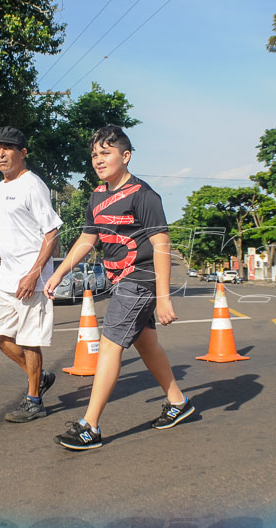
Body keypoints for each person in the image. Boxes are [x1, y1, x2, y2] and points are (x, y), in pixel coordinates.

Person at [45, 125, 194, 450]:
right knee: (146, 345)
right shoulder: (98, 195)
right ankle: (178, 402)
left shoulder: (143, 195)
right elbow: (87, 238)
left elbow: (161, 244)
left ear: (125, 156)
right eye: (95, 154)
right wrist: (59, 274)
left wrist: (165, 297)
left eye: (107, 152)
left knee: (110, 344)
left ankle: (90, 426)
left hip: (139, 282)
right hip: (119, 281)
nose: (99, 160)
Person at [0, 126, 62, 422]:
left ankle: (34, 401)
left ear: (22, 153)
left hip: (31, 278)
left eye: (7, 147)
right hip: (6, 277)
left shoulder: (32, 185)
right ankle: (37, 377)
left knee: (28, 339)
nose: (0, 153)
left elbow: (51, 233)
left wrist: (33, 274)